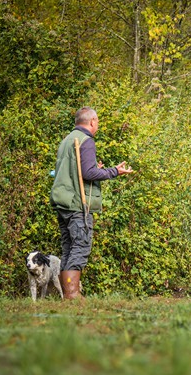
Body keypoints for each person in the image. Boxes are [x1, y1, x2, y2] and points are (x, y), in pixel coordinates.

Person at [50, 106, 133, 299]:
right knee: (81, 245)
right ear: (92, 121)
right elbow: (88, 174)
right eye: (98, 122)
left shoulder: (66, 140)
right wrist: (114, 171)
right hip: (77, 204)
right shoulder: (86, 141)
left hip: (63, 201)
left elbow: (75, 170)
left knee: (69, 247)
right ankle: (72, 294)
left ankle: (69, 294)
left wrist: (97, 168)